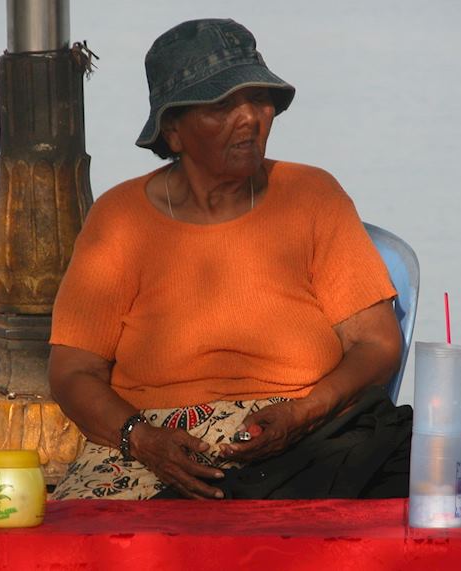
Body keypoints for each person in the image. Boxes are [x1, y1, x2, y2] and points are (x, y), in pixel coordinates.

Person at [48, 18, 403, 500]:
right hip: (153, 445)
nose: (250, 118)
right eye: (221, 105)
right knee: (82, 537)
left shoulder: (313, 196)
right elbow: (73, 371)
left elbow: (376, 342)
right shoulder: (119, 219)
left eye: (259, 99)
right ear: (173, 131)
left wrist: (303, 413)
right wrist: (143, 439)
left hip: (304, 434)